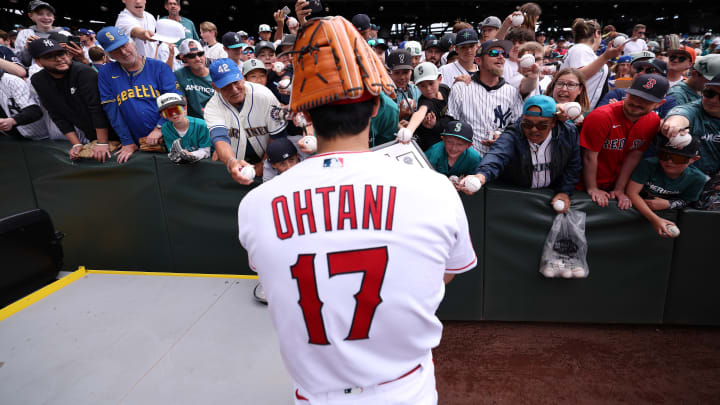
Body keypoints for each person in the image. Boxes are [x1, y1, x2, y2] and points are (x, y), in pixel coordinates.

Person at [237, 16, 476, 404]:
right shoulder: (434, 188)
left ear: (305, 114)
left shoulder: (256, 204)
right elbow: (445, 273)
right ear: (376, 106)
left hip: (315, 394)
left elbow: (277, 274)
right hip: (405, 389)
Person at [462, 95, 580, 213]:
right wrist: (481, 175)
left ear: (553, 122)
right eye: (527, 124)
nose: (534, 129)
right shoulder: (514, 134)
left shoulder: (568, 133)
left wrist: (564, 192)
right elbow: (497, 155)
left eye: (541, 125)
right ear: (522, 118)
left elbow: (573, 165)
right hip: (516, 197)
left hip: (551, 197)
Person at [579, 74, 669, 209]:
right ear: (627, 92)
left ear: (660, 103)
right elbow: (589, 156)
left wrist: (619, 189)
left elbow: (634, 155)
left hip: (613, 184)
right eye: (634, 96)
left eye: (646, 100)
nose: (637, 102)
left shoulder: (653, 121)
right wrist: (592, 188)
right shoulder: (601, 116)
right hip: (581, 185)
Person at [96, 26, 181, 163]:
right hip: (138, 141)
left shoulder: (159, 67)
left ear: (132, 43)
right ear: (109, 55)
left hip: (171, 134)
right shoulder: (106, 73)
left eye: (124, 45)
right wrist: (127, 141)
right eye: (116, 51)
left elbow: (177, 100)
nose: (124, 52)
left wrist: (160, 127)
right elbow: (112, 110)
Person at [29, 37, 116, 161]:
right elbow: (56, 114)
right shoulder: (38, 80)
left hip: (117, 129)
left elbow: (97, 109)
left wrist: (102, 142)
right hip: (90, 133)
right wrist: (76, 144)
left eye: (61, 53)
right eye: (49, 56)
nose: (59, 59)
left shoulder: (83, 72)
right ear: (38, 62)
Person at [447, 38, 538, 156]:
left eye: (503, 54)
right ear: (478, 61)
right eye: (494, 53)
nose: (500, 57)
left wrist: (503, 137)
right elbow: (450, 126)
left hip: (502, 159)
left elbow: (518, 127)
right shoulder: (461, 88)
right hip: (467, 161)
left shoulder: (511, 91)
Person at [203, 57, 288, 178]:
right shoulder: (212, 107)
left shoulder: (264, 95)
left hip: (269, 157)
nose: (234, 89)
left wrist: (264, 164)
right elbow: (220, 139)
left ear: (242, 77)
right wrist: (232, 162)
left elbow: (278, 136)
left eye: (236, 82)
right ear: (215, 87)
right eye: (226, 86)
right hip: (237, 162)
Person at [627, 135, 706, 236]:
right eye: (663, 155)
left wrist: (669, 204)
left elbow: (688, 201)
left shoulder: (698, 178)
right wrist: (655, 219)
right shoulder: (648, 164)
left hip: (667, 212)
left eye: (678, 158)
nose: (669, 161)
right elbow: (631, 192)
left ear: (693, 159)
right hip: (638, 208)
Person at [661, 74, 720, 178]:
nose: (713, 100)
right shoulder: (692, 109)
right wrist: (674, 126)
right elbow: (679, 115)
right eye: (709, 93)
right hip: (684, 179)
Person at [561, 19, 625, 110]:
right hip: (575, 110)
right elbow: (578, 76)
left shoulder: (584, 50)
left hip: (581, 108)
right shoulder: (581, 49)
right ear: (596, 33)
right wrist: (605, 57)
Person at [598, 57, 677, 118]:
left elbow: (667, 127)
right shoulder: (618, 93)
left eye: (649, 70)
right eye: (639, 69)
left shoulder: (668, 100)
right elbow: (599, 116)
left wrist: (620, 112)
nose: (641, 73)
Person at [399, 62, 451, 150]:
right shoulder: (425, 101)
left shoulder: (445, 89)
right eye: (422, 86)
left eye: (431, 83)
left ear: (439, 79)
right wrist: (409, 131)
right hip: (432, 147)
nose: (428, 89)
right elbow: (420, 113)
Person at [0, 69, 58, 140]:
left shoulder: (11, 81)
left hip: (41, 136)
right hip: (10, 138)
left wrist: (12, 121)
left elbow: (34, 111)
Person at [157, 92, 211, 163]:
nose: (174, 114)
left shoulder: (201, 125)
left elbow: (206, 151)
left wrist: (191, 154)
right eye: (168, 112)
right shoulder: (165, 128)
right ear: (163, 116)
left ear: (185, 108)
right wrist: (179, 154)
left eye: (177, 109)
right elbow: (172, 150)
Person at [14, 0, 67, 67]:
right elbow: (21, 62)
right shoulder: (25, 34)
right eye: (40, 14)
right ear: (31, 16)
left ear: (53, 17)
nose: (46, 17)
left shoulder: (64, 34)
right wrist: (27, 49)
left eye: (49, 14)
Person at [174, 38, 214, 119]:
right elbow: (182, 106)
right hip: (193, 123)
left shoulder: (216, 74)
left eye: (200, 54)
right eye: (192, 56)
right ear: (184, 58)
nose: (198, 59)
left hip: (215, 118)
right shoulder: (179, 75)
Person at [387, 49, 420, 120]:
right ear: (388, 72)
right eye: (396, 73)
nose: (402, 77)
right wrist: (400, 116)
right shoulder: (383, 93)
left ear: (411, 71)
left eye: (405, 72)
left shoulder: (417, 91)